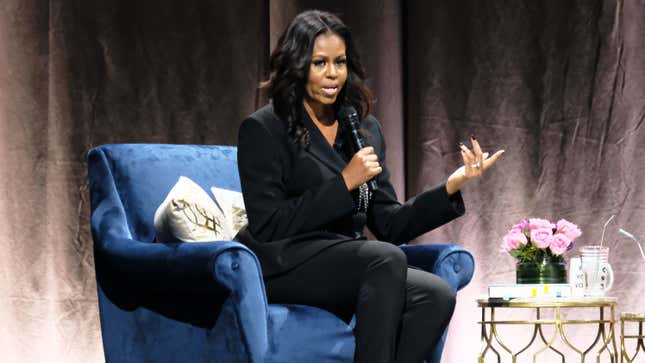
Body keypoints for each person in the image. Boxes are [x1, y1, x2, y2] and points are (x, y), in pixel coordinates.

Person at [236, 10, 504, 363]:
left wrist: (452, 186)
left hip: (347, 261)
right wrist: (345, 182)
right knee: (383, 259)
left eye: (340, 62)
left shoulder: (362, 128)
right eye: (320, 63)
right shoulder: (264, 128)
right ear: (297, 66)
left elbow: (390, 224)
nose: (333, 74)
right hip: (282, 263)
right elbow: (269, 225)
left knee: (435, 294)